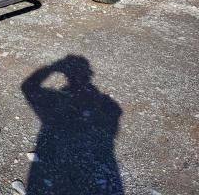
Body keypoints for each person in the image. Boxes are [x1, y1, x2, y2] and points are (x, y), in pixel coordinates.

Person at [21, 55, 124, 194]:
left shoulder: (56, 101)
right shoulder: (103, 105)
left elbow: (27, 87)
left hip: (61, 165)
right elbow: (114, 114)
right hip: (89, 168)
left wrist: (53, 67)